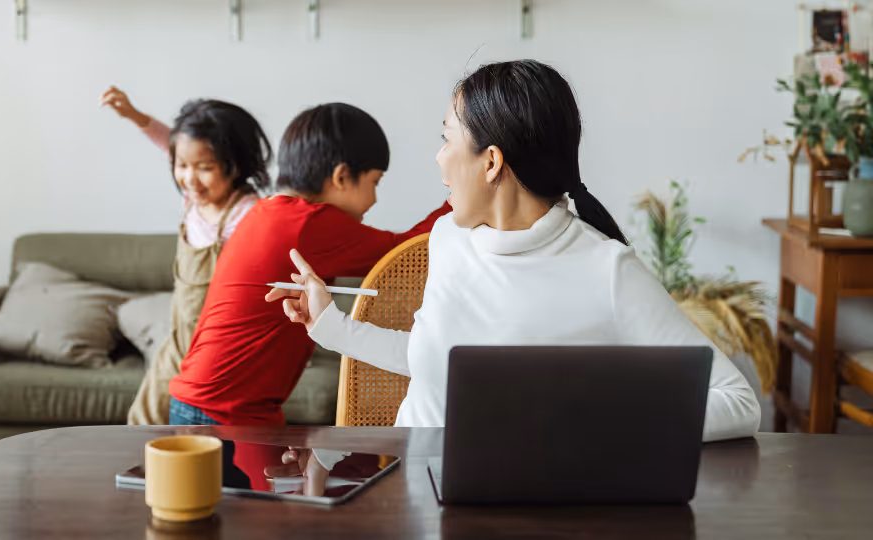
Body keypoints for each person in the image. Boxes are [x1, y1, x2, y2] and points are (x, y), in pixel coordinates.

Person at [267, 60, 761, 443]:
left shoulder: (606, 269)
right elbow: (433, 360)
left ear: (491, 162)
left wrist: (592, 420)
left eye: (446, 138)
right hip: (414, 493)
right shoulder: (448, 238)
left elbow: (737, 402)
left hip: (530, 500)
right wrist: (330, 325)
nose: (439, 158)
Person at [168, 103, 452, 426]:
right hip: (223, 413)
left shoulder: (270, 212)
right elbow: (404, 255)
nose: (373, 200)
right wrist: (459, 196)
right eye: (375, 182)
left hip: (206, 402)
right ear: (342, 177)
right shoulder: (306, 224)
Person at [101, 88, 272, 425]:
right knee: (143, 419)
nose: (190, 178)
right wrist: (135, 116)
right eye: (182, 165)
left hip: (216, 350)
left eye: (205, 167)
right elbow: (171, 143)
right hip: (178, 338)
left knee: (193, 431)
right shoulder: (194, 200)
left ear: (235, 164)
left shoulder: (247, 214)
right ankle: (145, 476)